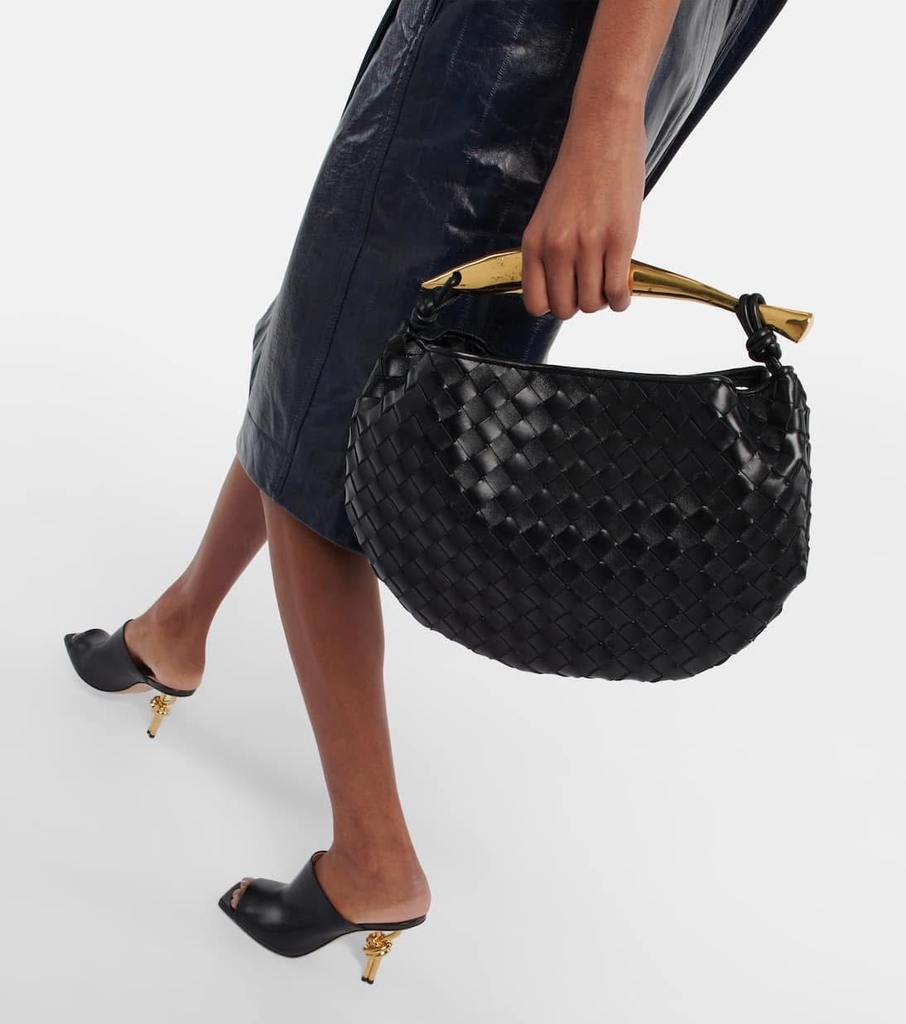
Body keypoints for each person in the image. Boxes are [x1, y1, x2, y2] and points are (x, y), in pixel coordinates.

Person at [63, 0, 787, 984]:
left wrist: (606, 119)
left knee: (347, 394)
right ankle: (175, 629)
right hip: (598, 38)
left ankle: (373, 856)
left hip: (529, 38)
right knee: (322, 344)